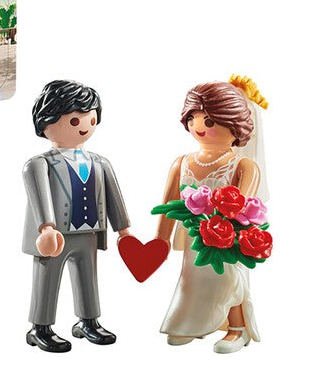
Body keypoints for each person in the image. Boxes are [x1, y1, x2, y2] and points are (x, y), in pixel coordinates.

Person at [155, 76, 268, 354]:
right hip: (192, 236)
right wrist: (161, 239)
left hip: (225, 238)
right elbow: (169, 203)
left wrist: (228, 231)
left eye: (209, 121)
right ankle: (192, 323)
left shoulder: (243, 165)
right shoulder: (182, 163)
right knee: (192, 281)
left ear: (235, 125)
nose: (199, 127)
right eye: (193, 118)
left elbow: (243, 207)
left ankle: (237, 327)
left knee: (228, 279)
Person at [22, 80, 132, 353]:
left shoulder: (100, 162)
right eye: (74, 121)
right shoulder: (40, 164)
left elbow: (114, 197)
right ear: (46, 121)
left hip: (89, 231)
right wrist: (46, 227)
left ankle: (88, 321)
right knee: (47, 279)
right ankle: (40, 327)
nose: (84, 126)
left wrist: (123, 230)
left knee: (88, 277)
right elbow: (40, 197)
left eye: (91, 119)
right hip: (56, 235)